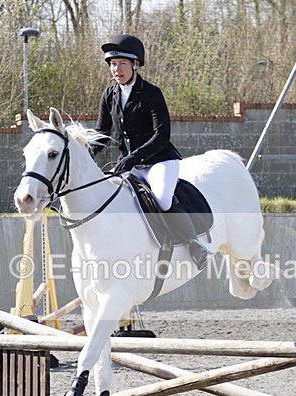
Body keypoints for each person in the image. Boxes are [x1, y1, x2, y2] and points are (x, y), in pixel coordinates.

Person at [90, 33, 209, 270]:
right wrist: (86, 154)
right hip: (129, 165)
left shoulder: (152, 94)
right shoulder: (109, 95)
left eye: (122, 64)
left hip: (160, 161)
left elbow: (162, 135)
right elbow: (101, 133)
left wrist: (133, 158)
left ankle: (193, 243)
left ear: (136, 65)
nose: (117, 69)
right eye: (113, 64)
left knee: (163, 199)